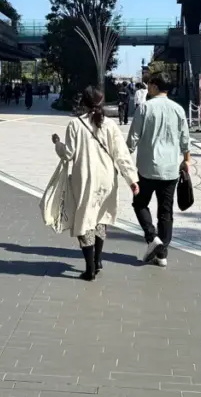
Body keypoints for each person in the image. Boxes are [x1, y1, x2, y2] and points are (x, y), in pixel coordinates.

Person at [51, 86, 139, 281]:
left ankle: (90, 268)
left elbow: (68, 154)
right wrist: (132, 180)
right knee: (100, 218)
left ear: (83, 102)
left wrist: (57, 143)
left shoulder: (75, 125)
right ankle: (98, 261)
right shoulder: (110, 125)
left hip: (85, 178)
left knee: (84, 220)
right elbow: (121, 154)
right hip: (107, 178)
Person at [127, 72, 191, 268]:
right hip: (171, 168)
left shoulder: (145, 108)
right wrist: (186, 160)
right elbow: (185, 139)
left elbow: (132, 139)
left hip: (147, 167)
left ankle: (152, 237)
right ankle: (162, 254)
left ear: (154, 86)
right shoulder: (178, 109)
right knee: (166, 211)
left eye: (149, 85)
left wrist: (121, 159)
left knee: (140, 203)